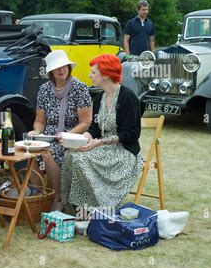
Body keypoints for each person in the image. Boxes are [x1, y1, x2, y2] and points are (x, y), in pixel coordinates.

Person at [61, 54, 143, 215]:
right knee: (70, 154)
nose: (90, 75)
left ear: (105, 74)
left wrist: (98, 143)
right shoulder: (100, 98)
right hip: (104, 147)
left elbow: (132, 134)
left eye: (93, 72)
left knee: (80, 159)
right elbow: (95, 128)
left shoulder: (128, 97)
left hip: (123, 151)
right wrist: (85, 138)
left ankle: (99, 205)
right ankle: (74, 207)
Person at [28, 50, 92, 211]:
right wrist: (36, 132)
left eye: (64, 66)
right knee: (32, 151)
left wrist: (67, 135)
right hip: (50, 136)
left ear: (69, 67)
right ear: (51, 72)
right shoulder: (44, 89)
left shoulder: (79, 88)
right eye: (57, 68)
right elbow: (39, 121)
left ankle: (58, 199)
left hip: (73, 136)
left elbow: (86, 122)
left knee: (46, 153)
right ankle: (36, 197)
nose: (61, 70)